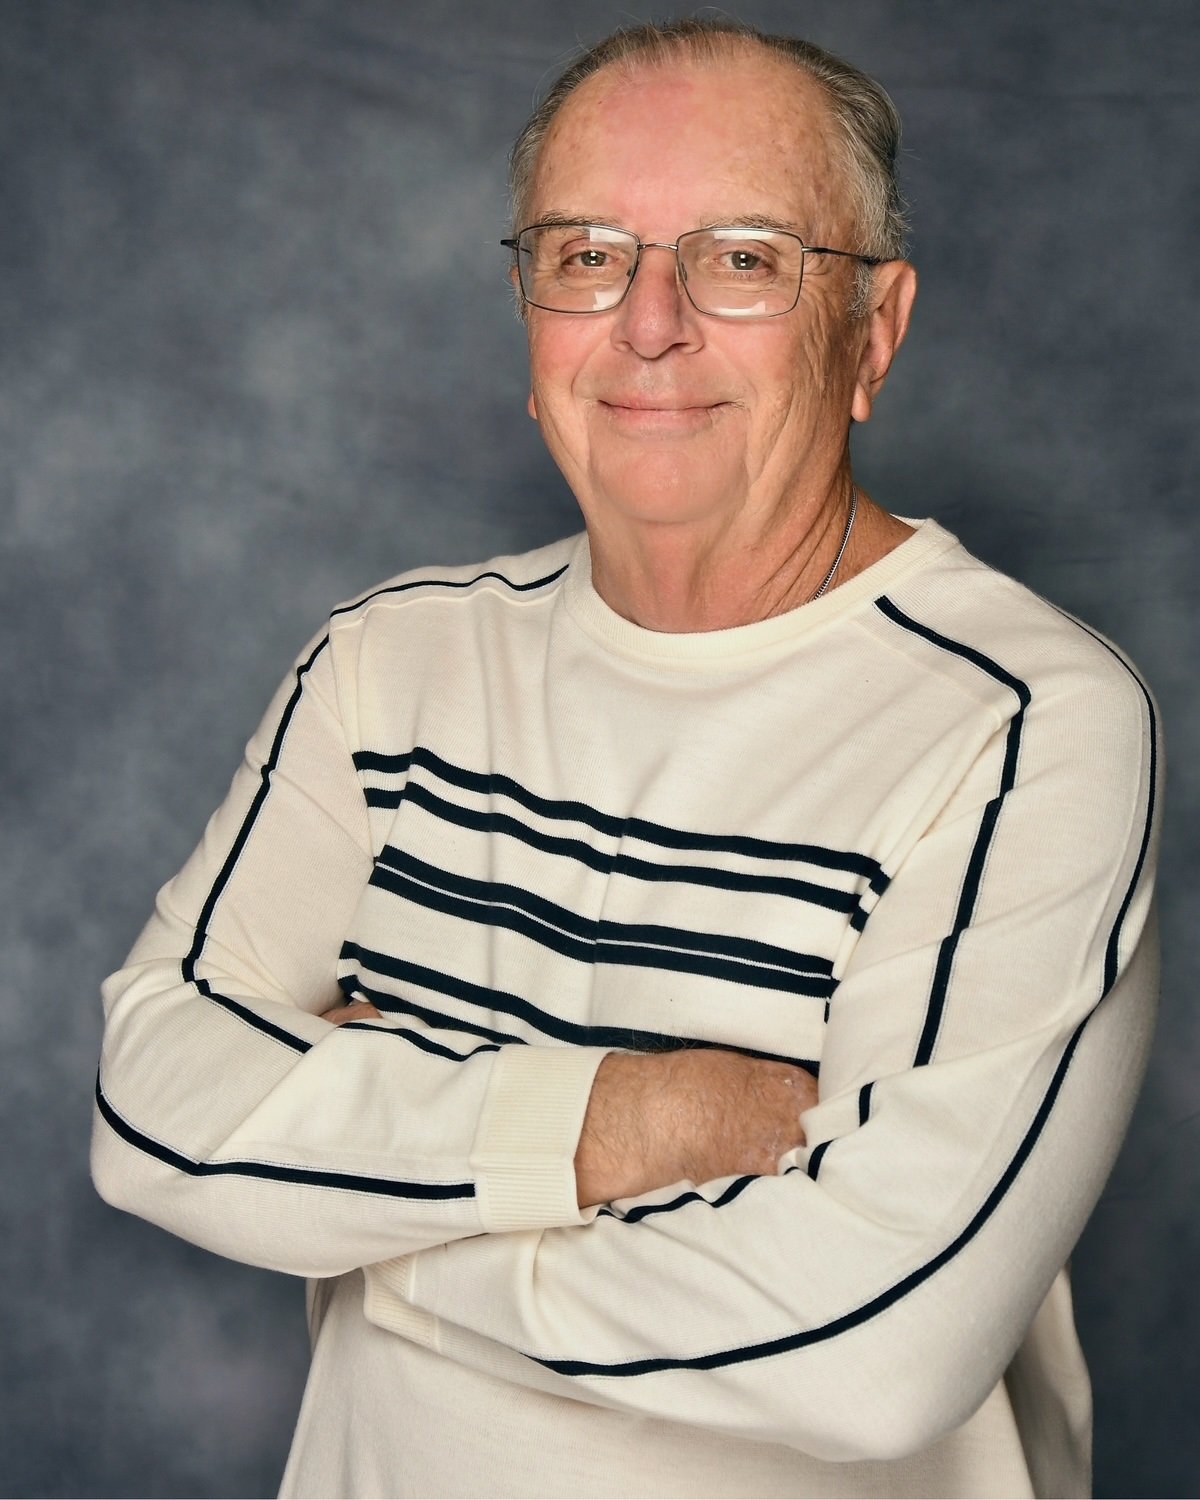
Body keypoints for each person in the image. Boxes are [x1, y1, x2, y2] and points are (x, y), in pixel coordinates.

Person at [91, 19, 1160, 1499]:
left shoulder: (1022, 721)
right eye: (586, 253)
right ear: (531, 316)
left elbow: (871, 1347)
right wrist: (633, 1119)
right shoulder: (390, 665)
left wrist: (390, 1231)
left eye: (742, 257)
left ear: (876, 332)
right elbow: (152, 1106)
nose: (649, 322)